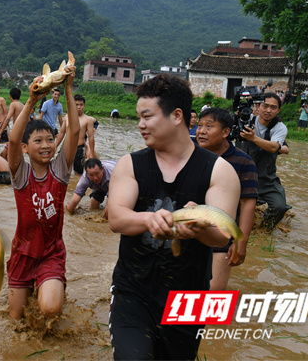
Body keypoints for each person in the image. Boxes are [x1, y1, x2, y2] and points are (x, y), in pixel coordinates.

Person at [107, 74, 239, 360]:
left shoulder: (219, 171)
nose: (140, 124)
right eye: (139, 116)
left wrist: (201, 227)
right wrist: (148, 220)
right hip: (133, 290)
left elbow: (222, 235)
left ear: (177, 115)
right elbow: (116, 217)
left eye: (147, 116)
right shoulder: (131, 164)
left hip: (189, 297)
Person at [7, 65, 79, 319]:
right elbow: (13, 141)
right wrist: (31, 100)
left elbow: (74, 131)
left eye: (49, 140)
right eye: (38, 141)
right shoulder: (21, 174)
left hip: (51, 253)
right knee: (15, 321)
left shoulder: (60, 170)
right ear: (27, 148)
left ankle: (53, 285)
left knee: (49, 309)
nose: (46, 145)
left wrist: (68, 88)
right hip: (22, 253)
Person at [196, 107, 258, 290]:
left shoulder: (243, 162)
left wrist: (241, 242)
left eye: (209, 126)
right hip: (190, 232)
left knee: (212, 297)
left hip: (222, 236)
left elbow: (247, 204)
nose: (201, 131)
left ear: (225, 132)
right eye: (199, 126)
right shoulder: (191, 155)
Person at [238, 93, 291, 230]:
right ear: (258, 106)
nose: (268, 110)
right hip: (240, 176)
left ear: (278, 110)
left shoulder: (279, 127)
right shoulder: (246, 119)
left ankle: (263, 231)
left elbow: (274, 147)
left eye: (273, 107)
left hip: (266, 178)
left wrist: (253, 138)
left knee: (279, 206)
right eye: (265, 106)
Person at [55, 94, 97, 175]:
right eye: (76, 104)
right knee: (61, 172)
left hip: (79, 149)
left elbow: (91, 137)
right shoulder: (67, 117)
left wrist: (91, 153)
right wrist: (55, 146)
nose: (79, 107)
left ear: (84, 106)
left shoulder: (87, 120)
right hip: (66, 147)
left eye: (81, 105)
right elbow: (61, 132)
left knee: (78, 174)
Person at [0, 88, 25, 160]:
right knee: (13, 154)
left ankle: (9, 170)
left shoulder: (13, 104)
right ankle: (11, 169)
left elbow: (7, 118)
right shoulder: (23, 105)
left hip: (17, 133)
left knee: (4, 154)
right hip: (23, 132)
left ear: (10, 96)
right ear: (19, 97)